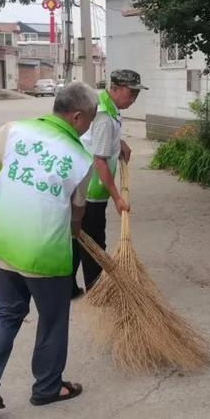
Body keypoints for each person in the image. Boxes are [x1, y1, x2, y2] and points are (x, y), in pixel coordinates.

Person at [0, 82, 97, 409]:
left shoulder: (16, 130)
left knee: (6, 312)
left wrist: (21, 170)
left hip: (6, 239)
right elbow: (78, 210)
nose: (90, 126)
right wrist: (75, 227)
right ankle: (47, 388)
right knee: (52, 320)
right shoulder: (80, 159)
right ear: (78, 117)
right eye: (91, 120)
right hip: (44, 251)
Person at [71, 69, 148, 298]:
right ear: (115, 88)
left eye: (136, 94)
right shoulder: (104, 115)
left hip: (82, 184)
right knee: (95, 239)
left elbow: (99, 140)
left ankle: (68, 288)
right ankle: (97, 289)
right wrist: (117, 197)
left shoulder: (106, 106)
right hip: (92, 188)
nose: (133, 99)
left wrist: (119, 141)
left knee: (79, 236)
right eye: (130, 93)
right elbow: (100, 162)